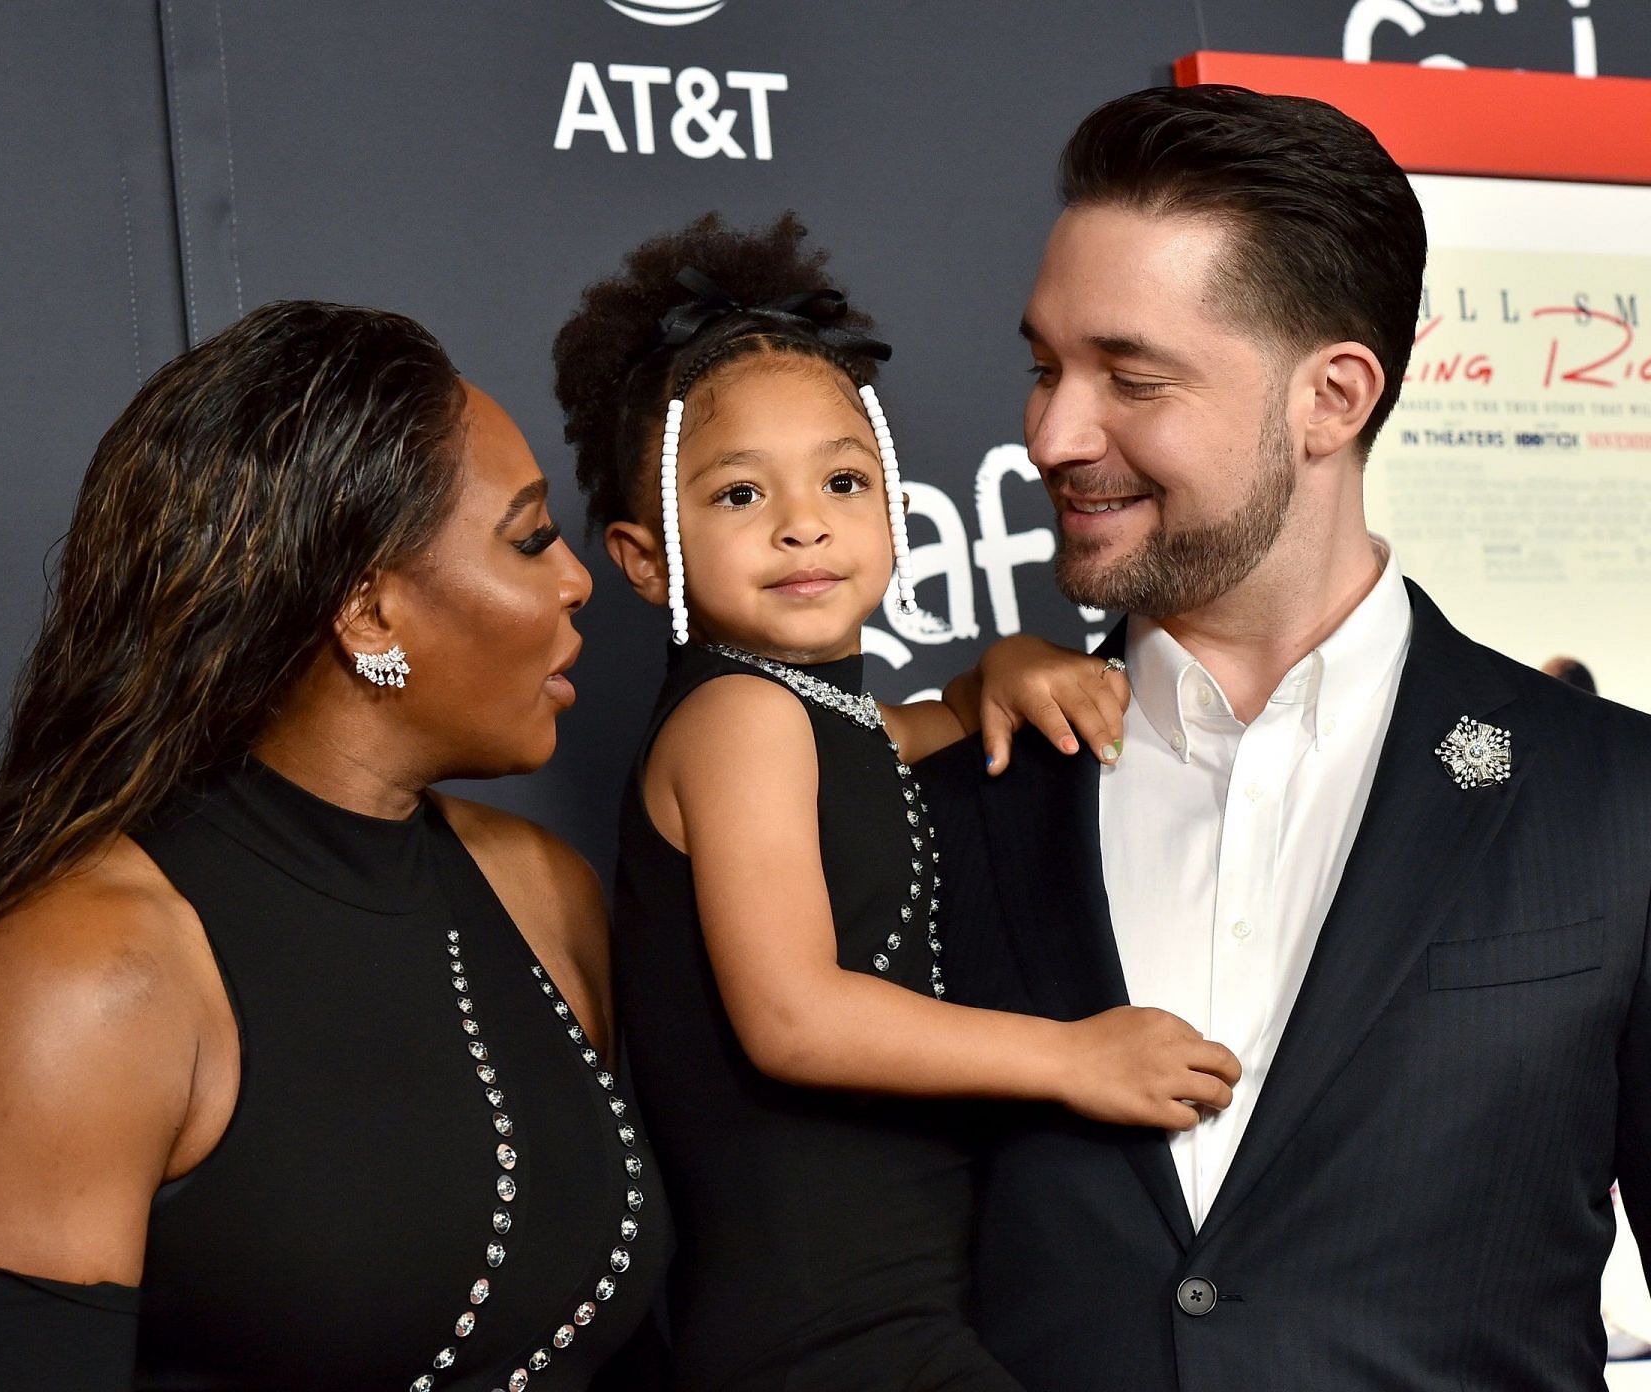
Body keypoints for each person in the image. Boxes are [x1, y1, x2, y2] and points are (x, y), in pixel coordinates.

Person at [920, 85, 1651, 1390]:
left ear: (1333, 398)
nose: (1051, 433)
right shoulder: (958, 789)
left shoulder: (1615, 796)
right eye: (1046, 365)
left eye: (1129, 377)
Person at [0, 301, 670, 1391]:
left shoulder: (542, 895)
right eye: (528, 538)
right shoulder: (80, 982)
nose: (576, 579)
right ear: (369, 614)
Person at [551, 213, 1243, 1391]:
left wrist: (1000, 671)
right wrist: (1076, 1059)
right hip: (821, 1324)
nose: (802, 521)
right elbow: (798, 1017)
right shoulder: (739, 721)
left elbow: (905, 733)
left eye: (840, 478)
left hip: (891, 1302)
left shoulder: (810, 716)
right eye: (735, 497)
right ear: (645, 560)